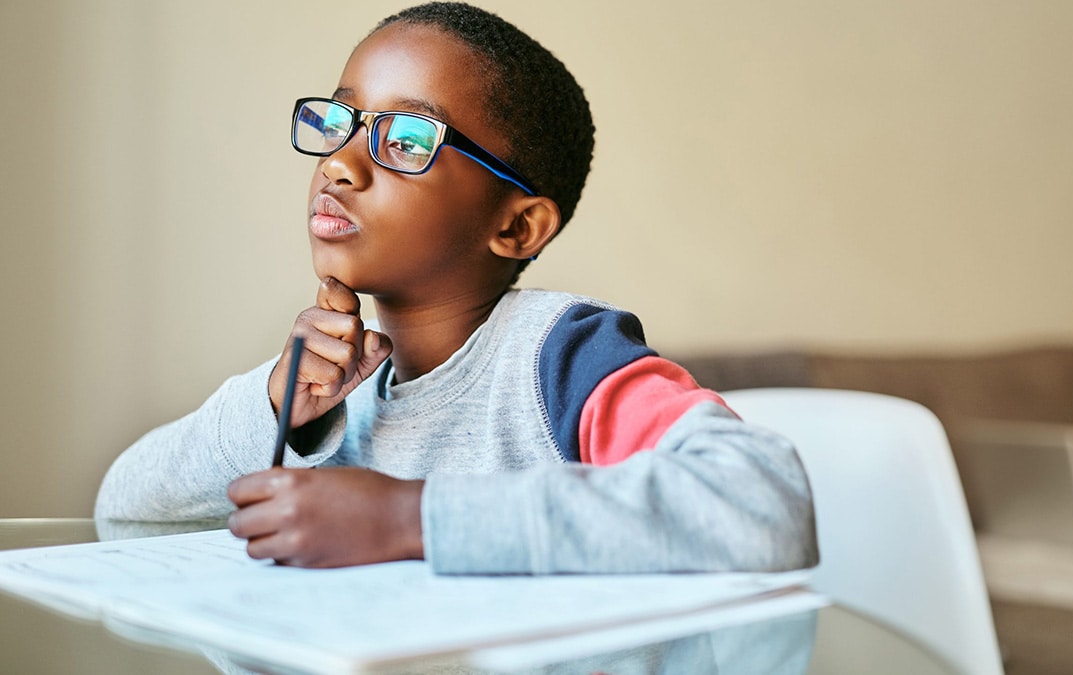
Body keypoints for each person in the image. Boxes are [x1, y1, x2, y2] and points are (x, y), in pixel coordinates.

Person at [95, 1, 818, 575]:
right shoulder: (328, 390)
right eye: (341, 121)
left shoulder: (562, 360)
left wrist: (408, 519)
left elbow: (764, 503)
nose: (340, 164)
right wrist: (277, 409)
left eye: (407, 140)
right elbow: (124, 513)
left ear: (517, 226)